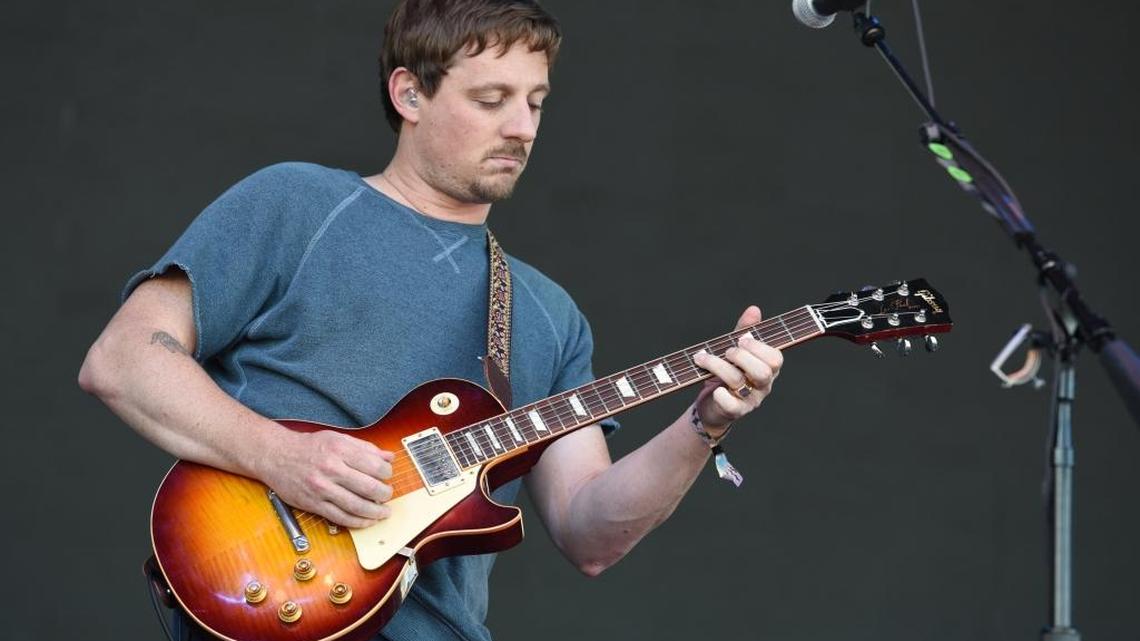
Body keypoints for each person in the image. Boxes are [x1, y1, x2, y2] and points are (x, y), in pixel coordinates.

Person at [77, 1, 784, 639]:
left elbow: (589, 532)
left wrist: (705, 425)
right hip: (271, 602)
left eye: (536, 102)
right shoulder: (295, 205)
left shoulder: (548, 315)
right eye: (491, 99)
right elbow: (124, 357)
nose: (522, 127)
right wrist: (282, 456)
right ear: (410, 93)